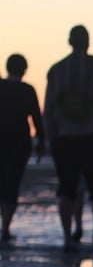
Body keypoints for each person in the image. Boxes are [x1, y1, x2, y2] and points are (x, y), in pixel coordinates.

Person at [45, 25, 93, 251]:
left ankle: (67, 237)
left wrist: (49, 136)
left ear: (69, 42)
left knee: (67, 188)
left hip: (65, 137)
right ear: (88, 42)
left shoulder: (57, 69)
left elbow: (49, 107)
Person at [0, 54, 44, 244]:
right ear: (24, 70)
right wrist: (41, 140)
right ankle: (6, 227)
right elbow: (36, 117)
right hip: (19, 142)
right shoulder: (27, 90)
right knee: (12, 183)